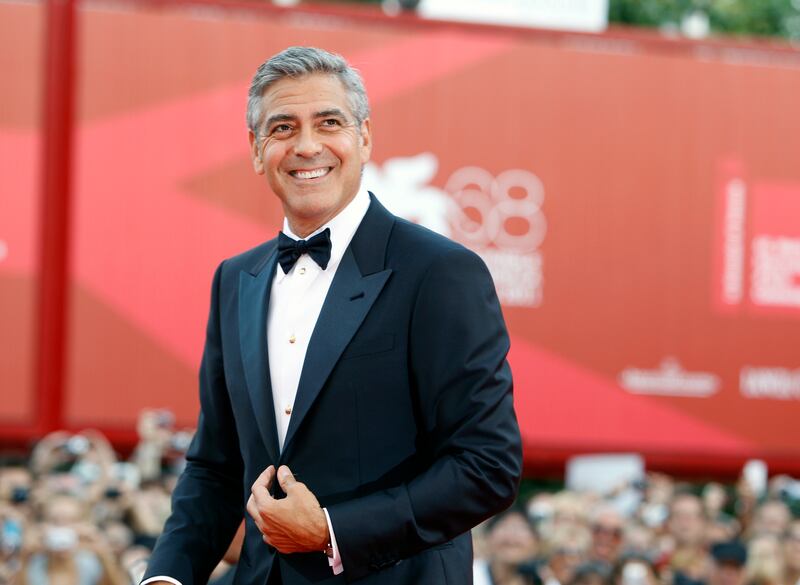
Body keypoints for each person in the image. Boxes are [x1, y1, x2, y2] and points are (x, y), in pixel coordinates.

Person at [142, 46, 522, 585]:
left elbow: (487, 466)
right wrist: (165, 577)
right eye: (283, 128)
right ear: (256, 150)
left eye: (329, 123)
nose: (306, 146)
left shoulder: (439, 272)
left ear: (363, 138)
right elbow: (215, 467)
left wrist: (331, 530)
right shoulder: (235, 280)